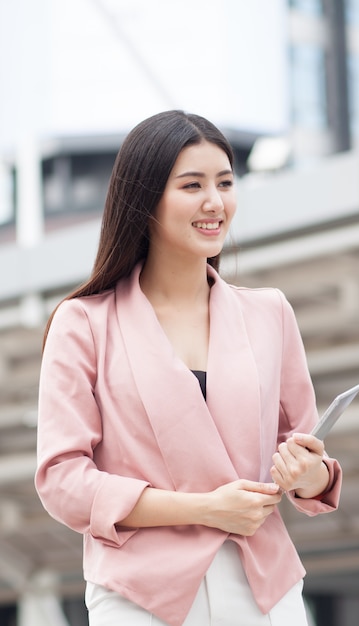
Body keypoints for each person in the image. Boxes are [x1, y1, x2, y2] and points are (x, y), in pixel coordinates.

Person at [35, 110, 342, 626]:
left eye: (225, 183)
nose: (214, 202)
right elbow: (62, 481)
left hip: (265, 587)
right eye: (192, 185)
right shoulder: (83, 323)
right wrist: (204, 508)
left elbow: (309, 459)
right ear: (145, 197)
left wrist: (308, 474)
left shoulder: (271, 314)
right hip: (140, 594)